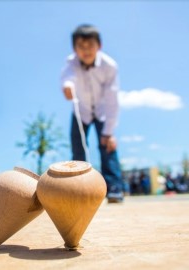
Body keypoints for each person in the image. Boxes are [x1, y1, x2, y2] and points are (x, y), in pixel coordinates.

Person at [61, 24, 124, 203]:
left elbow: (113, 99)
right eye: (81, 46)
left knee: (107, 146)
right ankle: (78, 189)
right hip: (81, 111)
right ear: (75, 49)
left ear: (99, 46)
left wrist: (109, 131)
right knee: (78, 147)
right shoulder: (71, 62)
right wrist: (67, 87)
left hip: (103, 112)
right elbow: (67, 77)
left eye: (91, 45)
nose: (86, 50)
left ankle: (114, 188)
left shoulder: (109, 66)